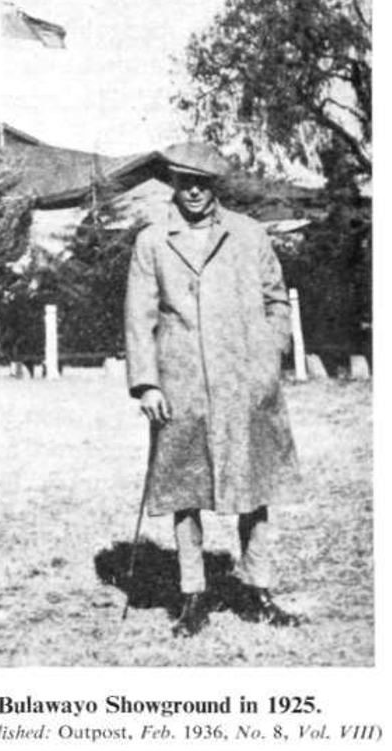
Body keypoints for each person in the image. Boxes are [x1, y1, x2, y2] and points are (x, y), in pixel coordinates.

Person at [124, 142, 305, 637]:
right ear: (174, 185)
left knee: (255, 487)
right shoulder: (153, 241)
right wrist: (147, 384)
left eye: (203, 182)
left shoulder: (248, 235)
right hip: (182, 387)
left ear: (216, 185)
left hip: (246, 385)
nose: (195, 191)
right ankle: (192, 595)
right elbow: (139, 320)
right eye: (185, 182)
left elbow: (276, 301)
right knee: (186, 491)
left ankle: (257, 588)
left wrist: (268, 357)